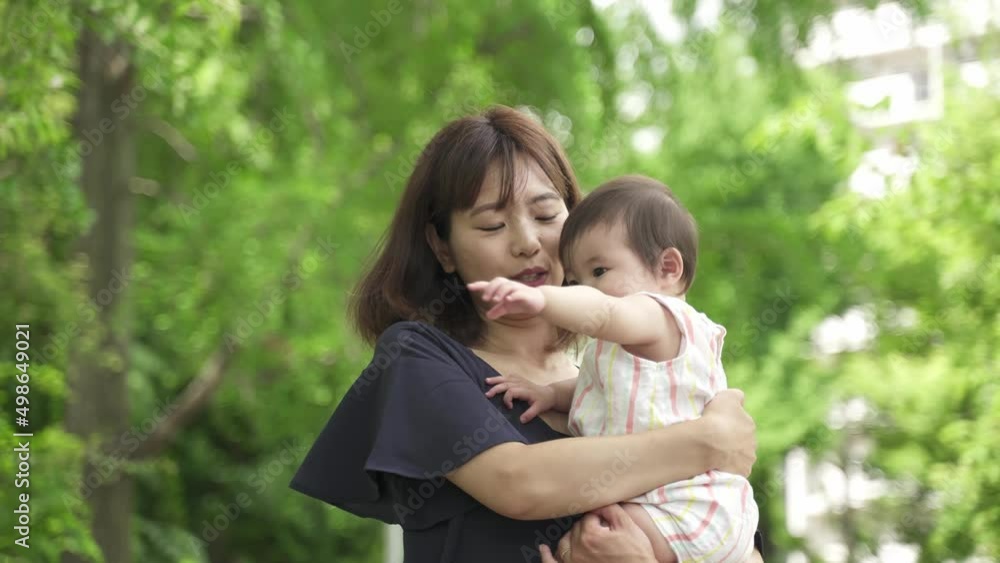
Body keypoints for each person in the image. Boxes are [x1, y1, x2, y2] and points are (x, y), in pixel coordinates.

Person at [289, 106, 762, 563]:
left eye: (545, 215)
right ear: (443, 247)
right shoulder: (420, 359)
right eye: (492, 224)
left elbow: (737, 543)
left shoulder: (626, 378)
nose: (527, 242)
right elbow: (519, 483)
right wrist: (708, 441)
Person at [468, 175, 759, 562]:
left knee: (591, 543)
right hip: (670, 500)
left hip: (683, 505)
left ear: (668, 268)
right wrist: (552, 393)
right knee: (588, 542)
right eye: (575, 279)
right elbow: (600, 384)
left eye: (600, 272)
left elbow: (603, 312)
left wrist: (541, 299)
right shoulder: (627, 348)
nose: (584, 288)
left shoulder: (657, 314)